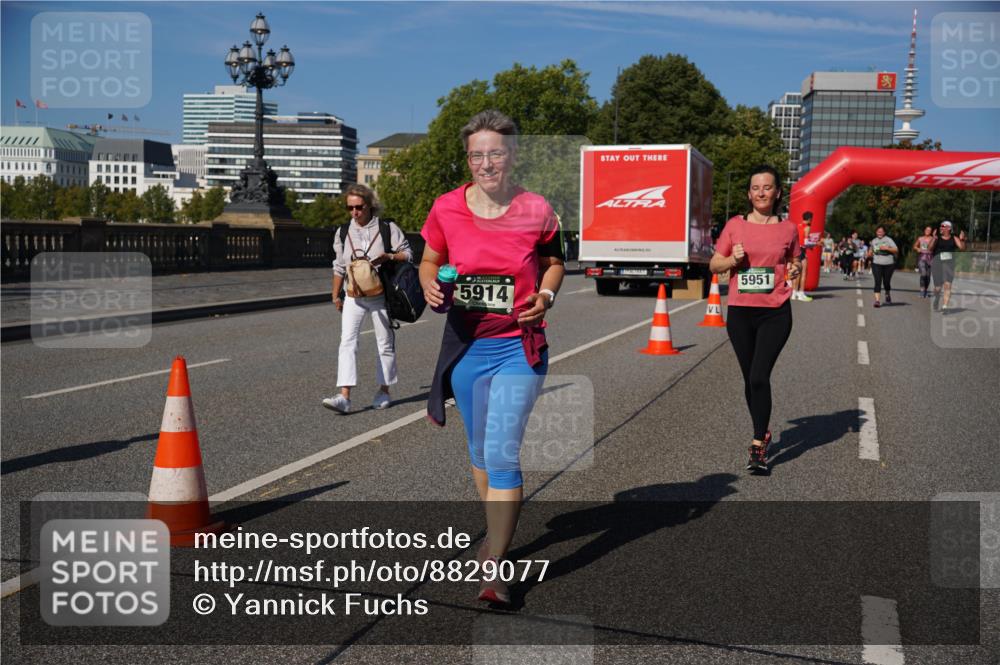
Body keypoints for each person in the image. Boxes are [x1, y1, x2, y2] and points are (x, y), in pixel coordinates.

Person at [419, 110, 565, 604]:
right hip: (467, 349)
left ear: (512, 155)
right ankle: (495, 537)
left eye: (495, 154)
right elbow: (431, 260)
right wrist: (429, 285)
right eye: (476, 155)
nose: (486, 163)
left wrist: (545, 296)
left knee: (502, 453)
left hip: (519, 347)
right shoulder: (446, 208)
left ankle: (496, 567)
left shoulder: (536, 207)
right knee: (481, 453)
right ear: (468, 159)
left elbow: (554, 262)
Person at [710, 164, 800, 474]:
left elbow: (795, 260)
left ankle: (758, 444)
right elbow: (714, 264)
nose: (761, 193)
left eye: (767, 187)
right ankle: (763, 430)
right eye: (756, 188)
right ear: (749, 194)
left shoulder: (788, 228)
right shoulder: (735, 225)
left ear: (777, 193)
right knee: (750, 378)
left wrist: (795, 269)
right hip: (740, 312)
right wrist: (731, 260)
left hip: (775, 312)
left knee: (760, 376)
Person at [323, 184, 412, 413]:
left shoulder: (387, 228)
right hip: (353, 295)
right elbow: (339, 266)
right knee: (347, 341)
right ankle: (344, 396)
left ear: (369, 205)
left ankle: (384, 391)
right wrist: (335, 295)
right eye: (350, 208)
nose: (354, 212)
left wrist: (389, 256)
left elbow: (408, 254)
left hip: (380, 295)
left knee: (384, 343)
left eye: (359, 207)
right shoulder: (343, 232)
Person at [931, 220, 967, 312]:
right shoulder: (937, 238)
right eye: (940, 226)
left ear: (949, 228)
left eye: (943, 226)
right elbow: (929, 248)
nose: (941, 228)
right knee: (938, 288)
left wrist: (962, 239)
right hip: (937, 264)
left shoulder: (954, 238)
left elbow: (962, 248)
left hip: (949, 264)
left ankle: (945, 306)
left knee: (947, 285)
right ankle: (937, 298)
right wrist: (933, 238)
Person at [868, 225, 899, 308]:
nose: (880, 233)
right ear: (876, 232)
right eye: (878, 231)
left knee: (886, 282)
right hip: (876, 263)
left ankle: (887, 293)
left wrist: (887, 248)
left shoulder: (889, 240)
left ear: (884, 232)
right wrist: (869, 253)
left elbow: (896, 250)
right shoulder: (874, 241)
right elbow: (870, 251)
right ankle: (877, 301)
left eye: (881, 231)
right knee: (877, 281)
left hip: (888, 264)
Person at [791, 214, 813, 301]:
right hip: (802, 250)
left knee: (796, 272)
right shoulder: (807, 227)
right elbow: (806, 242)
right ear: (809, 219)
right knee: (803, 272)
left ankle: (794, 293)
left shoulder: (797, 226)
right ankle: (801, 293)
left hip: (795, 250)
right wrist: (814, 244)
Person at [913, 225, 935, 298]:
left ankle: (925, 290)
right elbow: (914, 246)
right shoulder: (920, 238)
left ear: (931, 232)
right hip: (922, 257)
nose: (927, 231)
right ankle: (922, 291)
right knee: (923, 274)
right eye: (926, 230)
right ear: (924, 230)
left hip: (930, 258)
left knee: (928, 276)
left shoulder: (933, 239)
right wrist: (917, 249)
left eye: (929, 230)